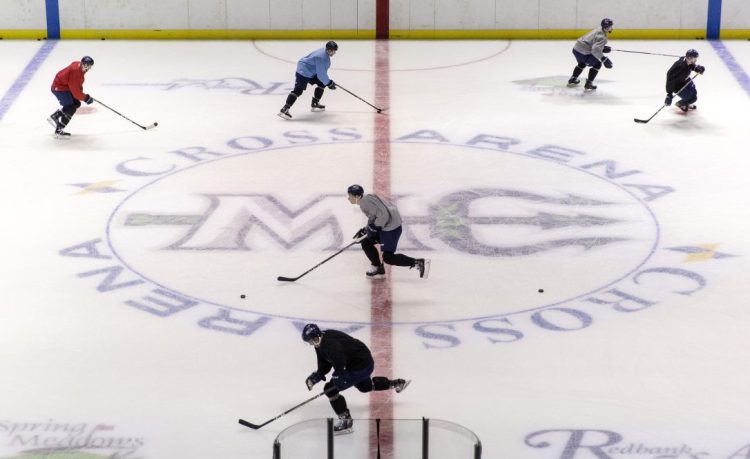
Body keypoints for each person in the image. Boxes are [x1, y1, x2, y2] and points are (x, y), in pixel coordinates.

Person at [302, 323, 410, 435]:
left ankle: (346, 421)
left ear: (316, 337)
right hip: (360, 361)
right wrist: (316, 377)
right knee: (365, 387)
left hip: (361, 365)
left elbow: (340, 363)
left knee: (330, 389)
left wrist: (338, 376)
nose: (311, 344)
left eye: (311, 341)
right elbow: (325, 363)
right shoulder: (319, 343)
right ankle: (396, 383)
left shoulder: (330, 344)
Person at [347, 184, 430, 279]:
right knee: (366, 242)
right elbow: (374, 216)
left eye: (350, 196)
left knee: (388, 257)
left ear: (357, 196)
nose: (349, 198)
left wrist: (373, 228)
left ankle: (418, 263)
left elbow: (384, 215)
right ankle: (378, 268)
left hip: (391, 230)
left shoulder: (364, 203)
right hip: (387, 227)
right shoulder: (367, 198)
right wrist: (366, 229)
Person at [278, 41, 338, 120]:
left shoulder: (324, 53)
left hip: (311, 71)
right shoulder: (321, 57)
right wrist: (329, 83)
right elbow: (321, 74)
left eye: (334, 51)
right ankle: (285, 109)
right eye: (332, 50)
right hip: (303, 71)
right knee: (298, 90)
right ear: (328, 49)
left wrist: (327, 82)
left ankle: (315, 103)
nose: (333, 52)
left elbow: (321, 74)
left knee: (321, 83)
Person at [48, 56, 95, 137]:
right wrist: (86, 98)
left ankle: (56, 116)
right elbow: (76, 92)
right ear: (82, 64)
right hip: (59, 88)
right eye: (86, 65)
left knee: (76, 103)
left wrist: (80, 90)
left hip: (64, 86)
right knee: (71, 107)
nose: (87, 68)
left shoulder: (78, 66)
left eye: (89, 66)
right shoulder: (76, 73)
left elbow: (75, 85)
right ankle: (59, 128)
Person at [568, 18, 614, 91]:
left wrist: (602, 48)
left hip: (576, 49)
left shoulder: (598, 29)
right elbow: (595, 50)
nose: (611, 28)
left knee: (582, 63)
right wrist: (603, 59)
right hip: (583, 52)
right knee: (597, 64)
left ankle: (573, 78)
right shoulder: (603, 37)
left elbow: (593, 43)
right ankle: (589, 83)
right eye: (610, 26)